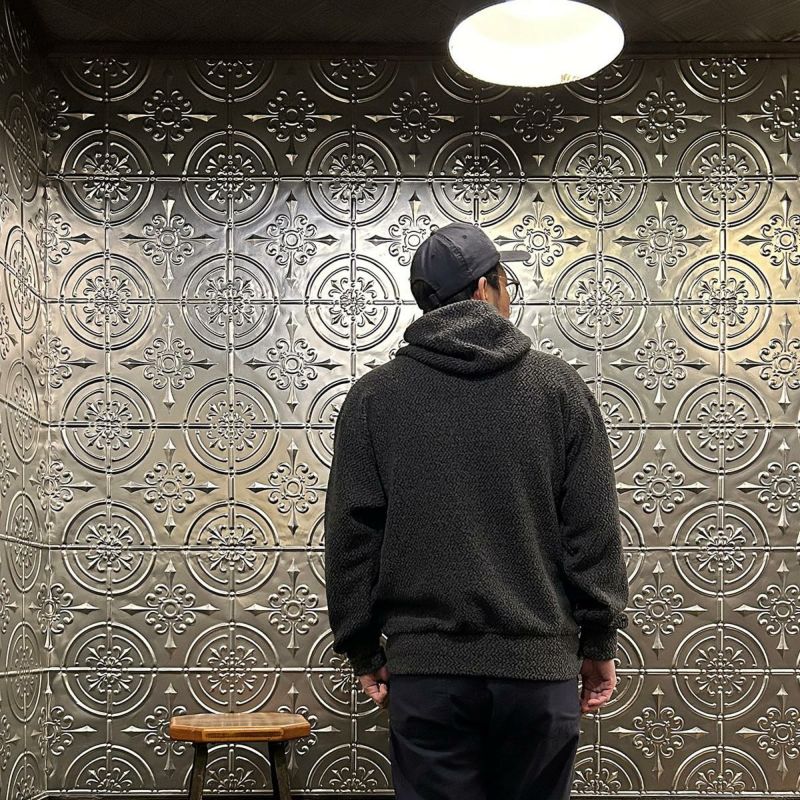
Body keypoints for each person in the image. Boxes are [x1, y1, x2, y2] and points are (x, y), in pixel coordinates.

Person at [324, 221, 629, 799]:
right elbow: (592, 528)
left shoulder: (373, 398)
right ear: (487, 288)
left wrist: (362, 648)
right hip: (537, 671)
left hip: (427, 673)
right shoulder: (557, 388)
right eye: (505, 280)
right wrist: (598, 642)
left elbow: (351, 536)